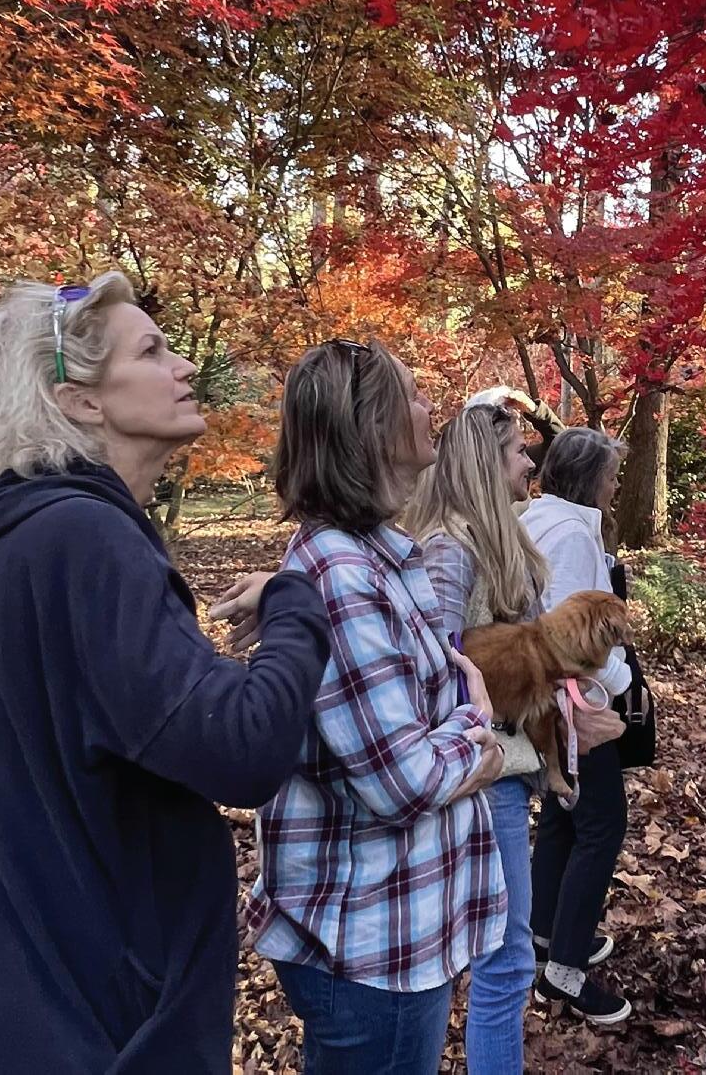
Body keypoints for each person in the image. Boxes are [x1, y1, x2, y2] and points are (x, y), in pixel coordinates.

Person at [0, 273, 332, 1074]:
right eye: (151, 350)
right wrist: (297, 604)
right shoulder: (83, 539)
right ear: (80, 400)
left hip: (44, 1010)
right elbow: (243, 747)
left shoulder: (40, 536)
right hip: (87, 1033)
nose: (185, 366)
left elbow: (154, 724)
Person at [245, 340, 507, 1075]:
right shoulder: (344, 575)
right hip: (369, 948)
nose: (430, 409)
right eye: (413, 396)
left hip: (390, 933)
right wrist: (478, 729)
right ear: (369, 429)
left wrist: (456, 723)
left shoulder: (376, 557)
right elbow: (404, 782)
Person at [405, 404, 626, 1070]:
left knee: (500, 958)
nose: (532, 462)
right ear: (485, 461)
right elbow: (434, 669)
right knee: (504, 962)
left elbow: (530, 656)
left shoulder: (500, 537)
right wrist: (485, 742)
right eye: (517, 451)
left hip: (502, 767)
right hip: (483, 776)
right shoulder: (451, 548)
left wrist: (568, 708)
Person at [521, 428, 636, 1025]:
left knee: (563, 819)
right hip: (575, 706)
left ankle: (545, 933)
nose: (616, 485)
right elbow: (567, 632)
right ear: (591, 478)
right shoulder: (568, 535)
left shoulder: (547, 521)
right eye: (611, 475)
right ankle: (564, 971)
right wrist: (619, 678)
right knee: (601, 824)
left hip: (554, 701)